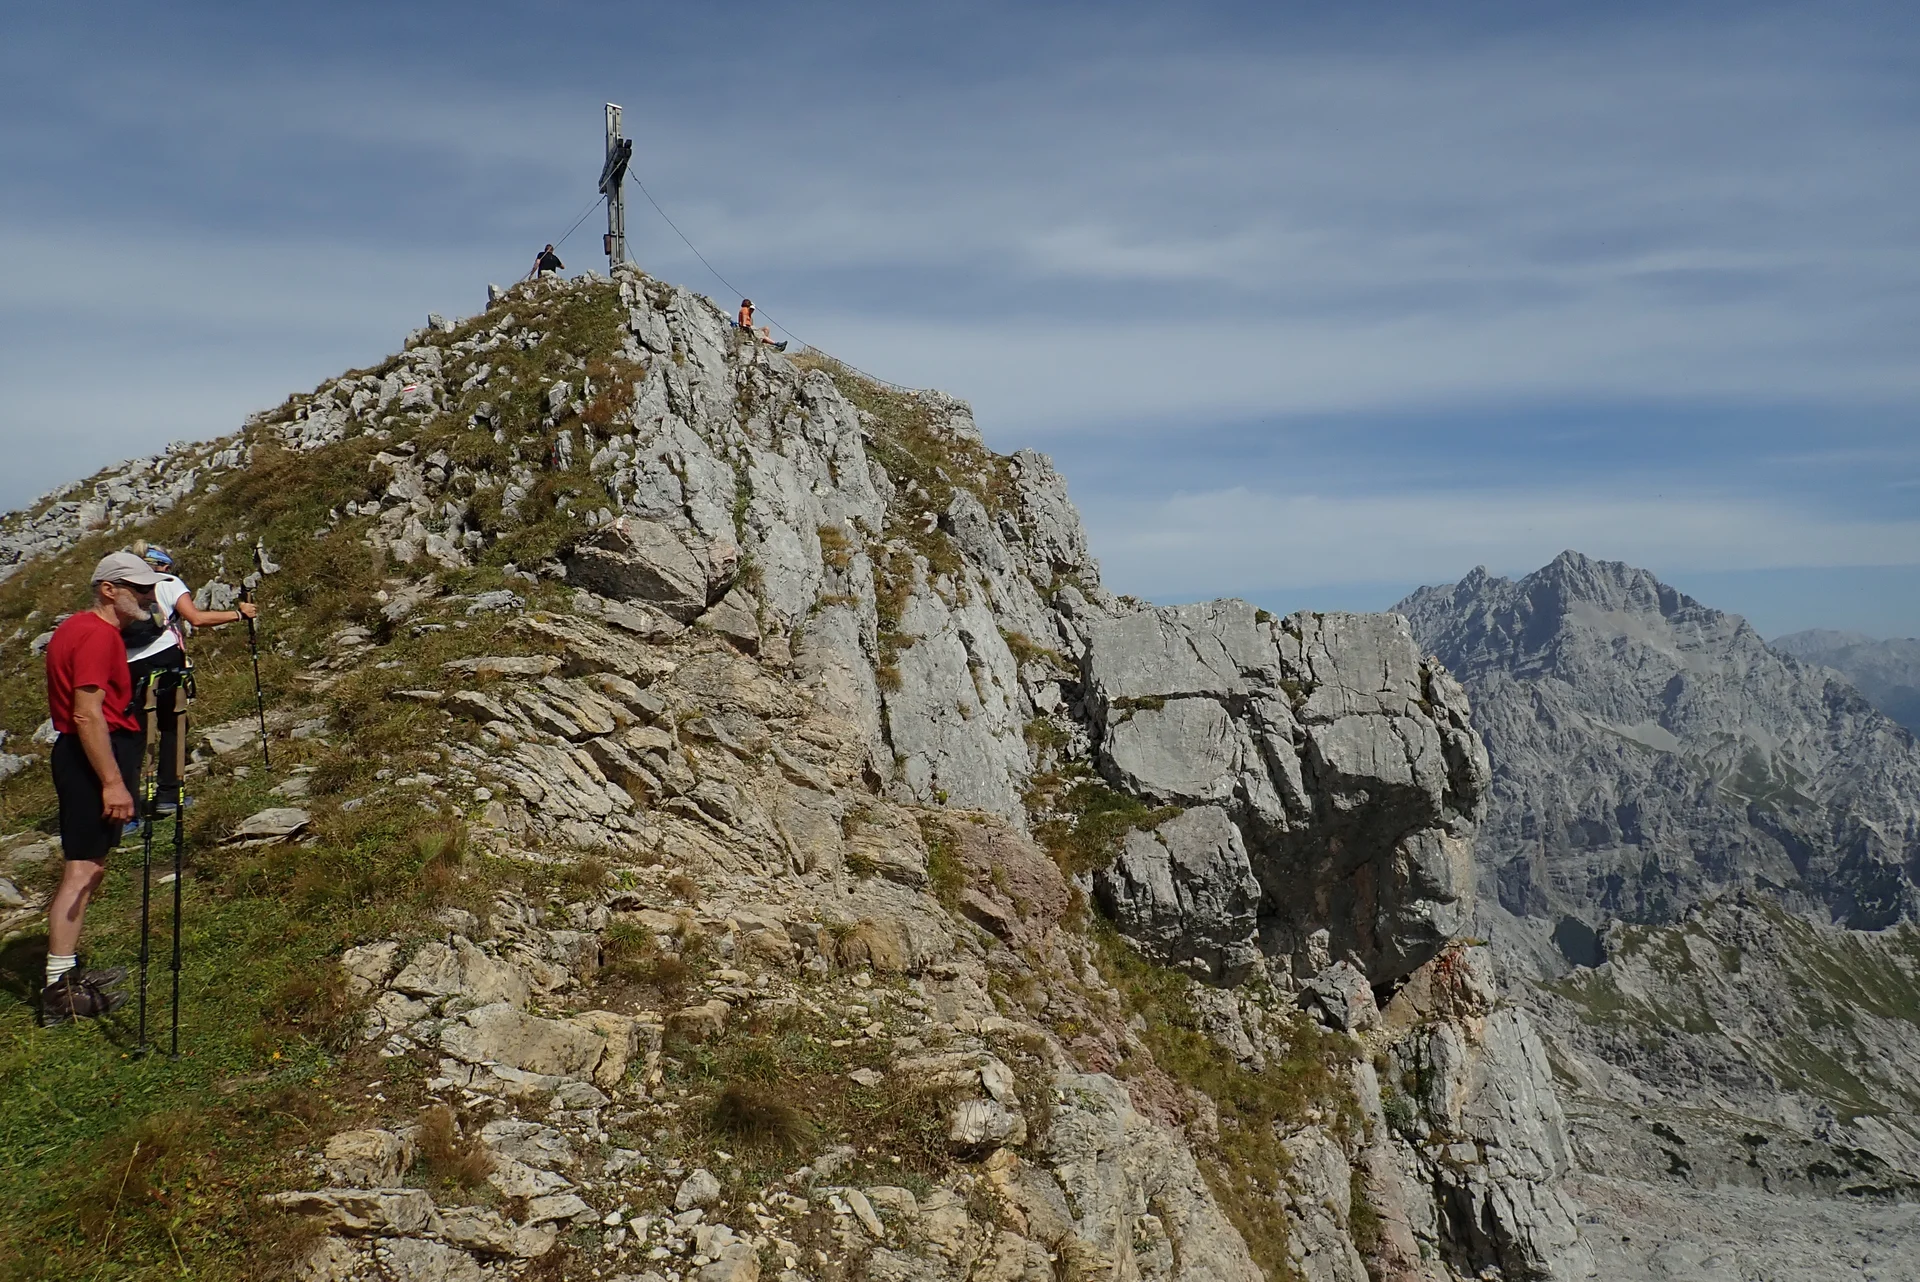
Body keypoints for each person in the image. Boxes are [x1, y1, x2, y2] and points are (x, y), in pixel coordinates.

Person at [41, 552, 163, 1025]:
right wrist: (113, 782)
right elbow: (86, 712)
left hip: (87, 753)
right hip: (93, 755)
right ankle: (58, 991)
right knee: (83, 870)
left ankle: (64, 976)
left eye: (151, 589)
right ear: (109, 589)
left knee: (88, 867)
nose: (149, 596)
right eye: (140, 588)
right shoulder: (96, 635)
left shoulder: (77, 627)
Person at [124, 544, 258, 814]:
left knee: (133, 735)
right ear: (162, 565)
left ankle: (127, 812)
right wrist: (239, 614)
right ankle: (168, 796)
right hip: (166, 657)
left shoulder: (122, 587)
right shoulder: (169, 582)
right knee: (173, 725)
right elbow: (196, 619)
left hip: (128, 665)